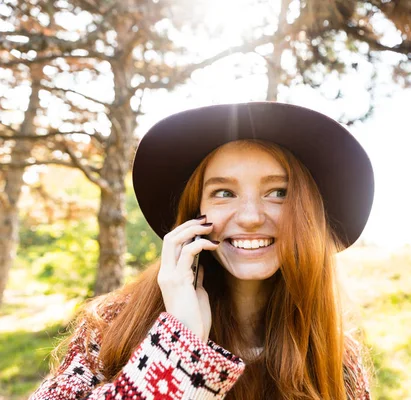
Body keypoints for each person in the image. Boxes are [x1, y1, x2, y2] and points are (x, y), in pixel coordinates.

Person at [30, 102, 375, 400]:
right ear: (195, 212)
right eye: (224, 193)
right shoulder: (113, 324)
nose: (251, 217)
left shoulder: (336, 356)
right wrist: (180, 346)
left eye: (278, 192)